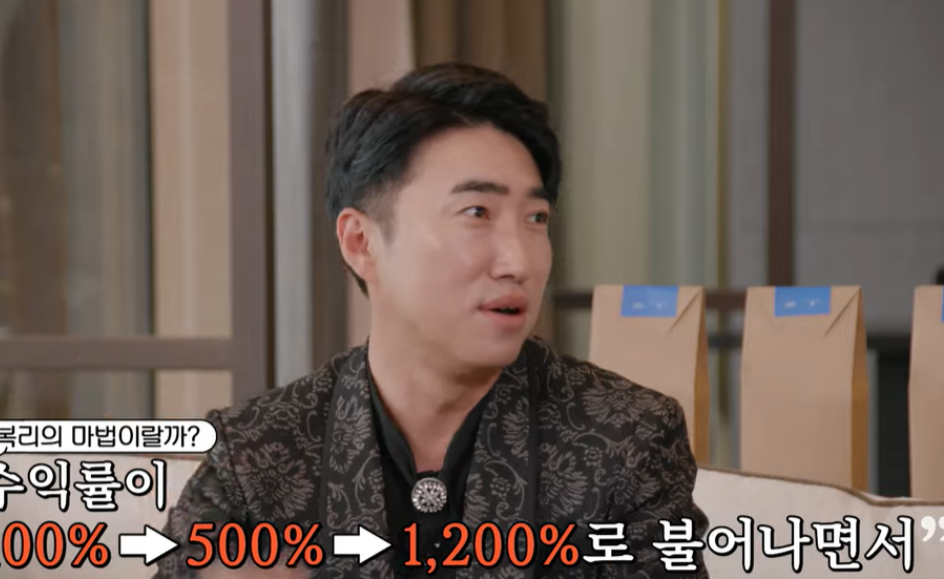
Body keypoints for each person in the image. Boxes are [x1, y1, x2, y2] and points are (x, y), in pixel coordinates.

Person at [154, 62, 709, 579]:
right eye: (477, 213)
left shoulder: (626, 440)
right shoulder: (255, 458)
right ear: (361, 242)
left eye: (536, 218)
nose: (519, 261)